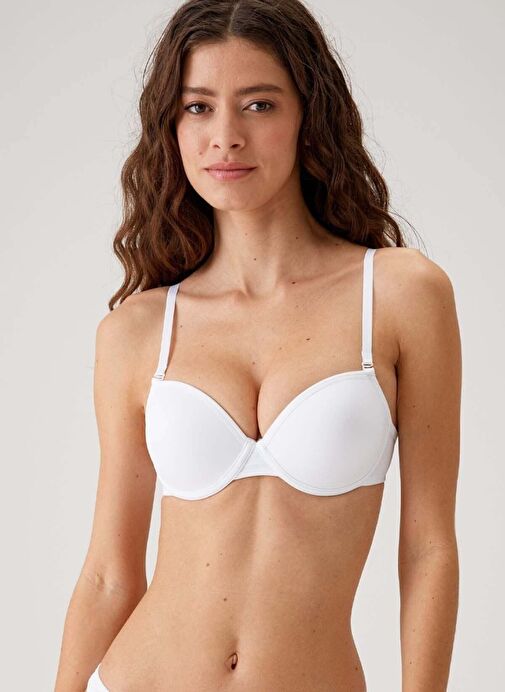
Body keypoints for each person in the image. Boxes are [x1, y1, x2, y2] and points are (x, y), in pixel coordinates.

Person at [54, 0, 461, 690]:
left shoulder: (399, 295)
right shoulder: (137, 331)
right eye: (197, 108)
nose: (226, 138)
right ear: (172, 127)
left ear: (309, 117)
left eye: (259, 105)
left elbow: (428, 548)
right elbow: (108, 575)